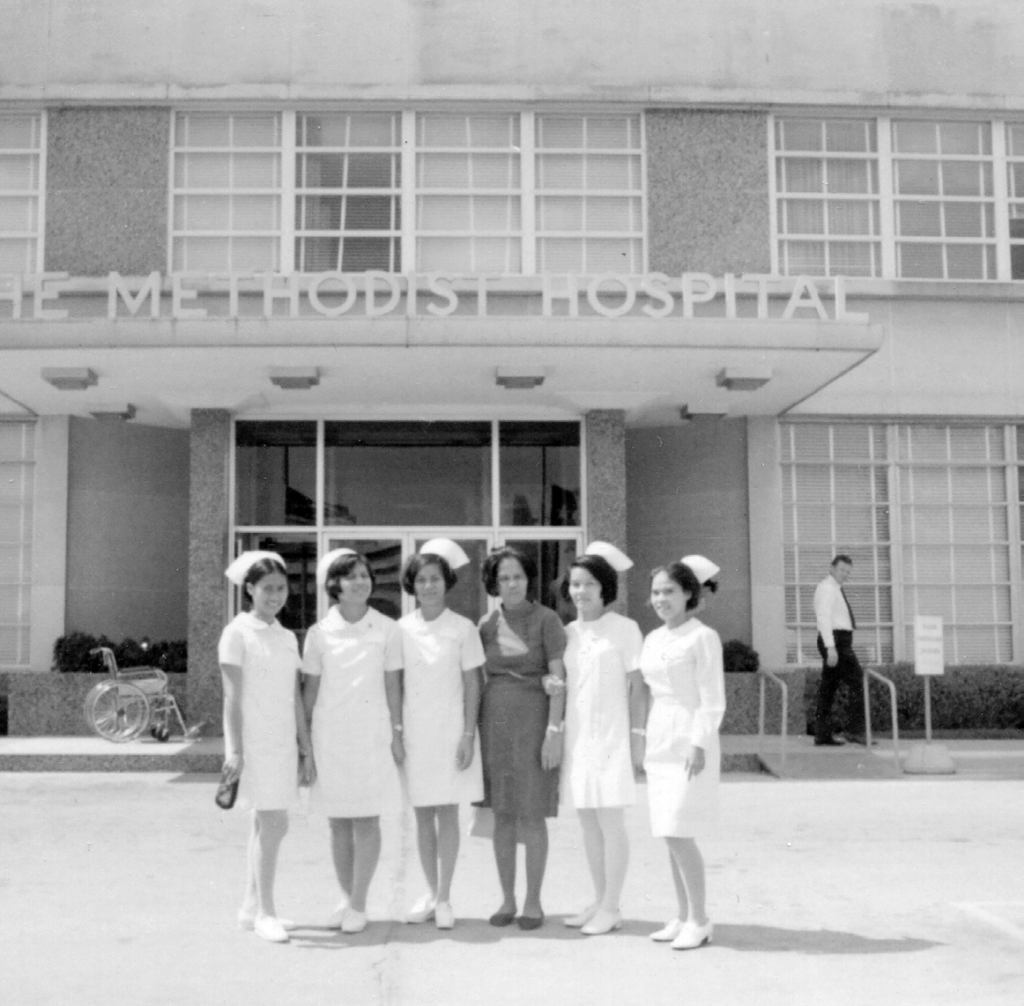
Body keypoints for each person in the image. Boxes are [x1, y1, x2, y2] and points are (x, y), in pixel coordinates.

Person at [302, 548, 404, 935]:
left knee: (366, 818)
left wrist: (396, 734)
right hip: (331, 739)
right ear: (335, 586)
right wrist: (305, 745)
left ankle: (359, 903)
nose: (361, 582)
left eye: (365, 575)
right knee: (338, 822)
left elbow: (394, 687)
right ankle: (347, 900)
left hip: (372, 737)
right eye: (351, 576)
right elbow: (309, 692)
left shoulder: (387, 629)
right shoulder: (318, 634)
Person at [218, 550, 314, 944]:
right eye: (267, 588)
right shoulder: (236, 633)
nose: (275, 595)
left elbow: (294, 696)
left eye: (281, 588)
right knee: (274, 822)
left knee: (267, 823)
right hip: (254, 743)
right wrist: (234, 750)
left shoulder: (288, 636)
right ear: (250, 590)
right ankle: (266, 913)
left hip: (282, 742)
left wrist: (305, 748)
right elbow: (231, 698)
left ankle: (249, 907)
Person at [558, 542, 646, 936]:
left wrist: (637, 739)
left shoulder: (625, 629)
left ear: (604, 587)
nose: (582, 592)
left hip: (612, 737)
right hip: (578, 739)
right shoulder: (566, 633)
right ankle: (599, 899)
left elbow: (639, 689)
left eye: (590, 584)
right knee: (588, 824)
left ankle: (612, 905)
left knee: (611, 823)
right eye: (575, 584)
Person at [477, 545, 567, 931]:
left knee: (531, 813)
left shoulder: (547, 620)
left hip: (534, 721)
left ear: (529, 579)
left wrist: (554, 731)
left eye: (517, 576)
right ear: (494, 584)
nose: (511, 584)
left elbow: (559, 679)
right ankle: (507, 899)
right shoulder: (486, 625)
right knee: (502, 814)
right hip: (494, 721)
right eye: (503, 578)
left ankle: (533, 901)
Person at [398, 538, 485, 931]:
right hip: (415, 734)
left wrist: (468, 734)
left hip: (451, 732)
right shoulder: (400, 630)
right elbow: (394, 686)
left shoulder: (463, 628)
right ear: (411, 585)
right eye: (421, 580)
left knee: (447, 812)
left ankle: (446, 896)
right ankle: (430, 894)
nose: (428, 586)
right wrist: (396, 734)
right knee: (422, 816)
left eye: (435, 578)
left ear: (445, 582)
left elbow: (473, 685)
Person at [640, 560, 726, 951]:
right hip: (660, 735)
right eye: (656, 592)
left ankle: (701, 919)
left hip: (690, 736)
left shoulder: (702, 637)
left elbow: (712, 699)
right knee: (667, 832)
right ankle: (682, 914)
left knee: (678, 829)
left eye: (669, 591)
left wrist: (699, 743)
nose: (661, 599)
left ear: (689, 593)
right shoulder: (653, 638)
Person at [813, 554, 865, 746]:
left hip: (838, 641)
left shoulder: (834, 589)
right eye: (842, 570)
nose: (845, 574)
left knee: (829, 686)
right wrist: (830, 648)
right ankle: (854, 731)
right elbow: (823, 618)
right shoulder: (827, 588)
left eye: (848, 572)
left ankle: (822, 734)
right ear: (832, 568)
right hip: (836, 641)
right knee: (857, 681)